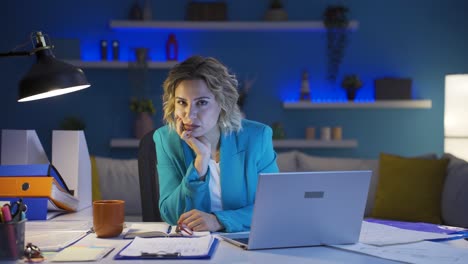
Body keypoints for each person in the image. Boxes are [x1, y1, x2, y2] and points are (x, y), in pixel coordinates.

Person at [154, 55, 279, 233]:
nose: (190, 115)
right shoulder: (166, 139)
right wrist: (200, 162)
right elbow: (170, 214)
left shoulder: (257, 137)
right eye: (182, 102)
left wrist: (219, 221)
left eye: (202, 103)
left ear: (222, 102)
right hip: (191, 248)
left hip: (245, 244)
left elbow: (273, 206)